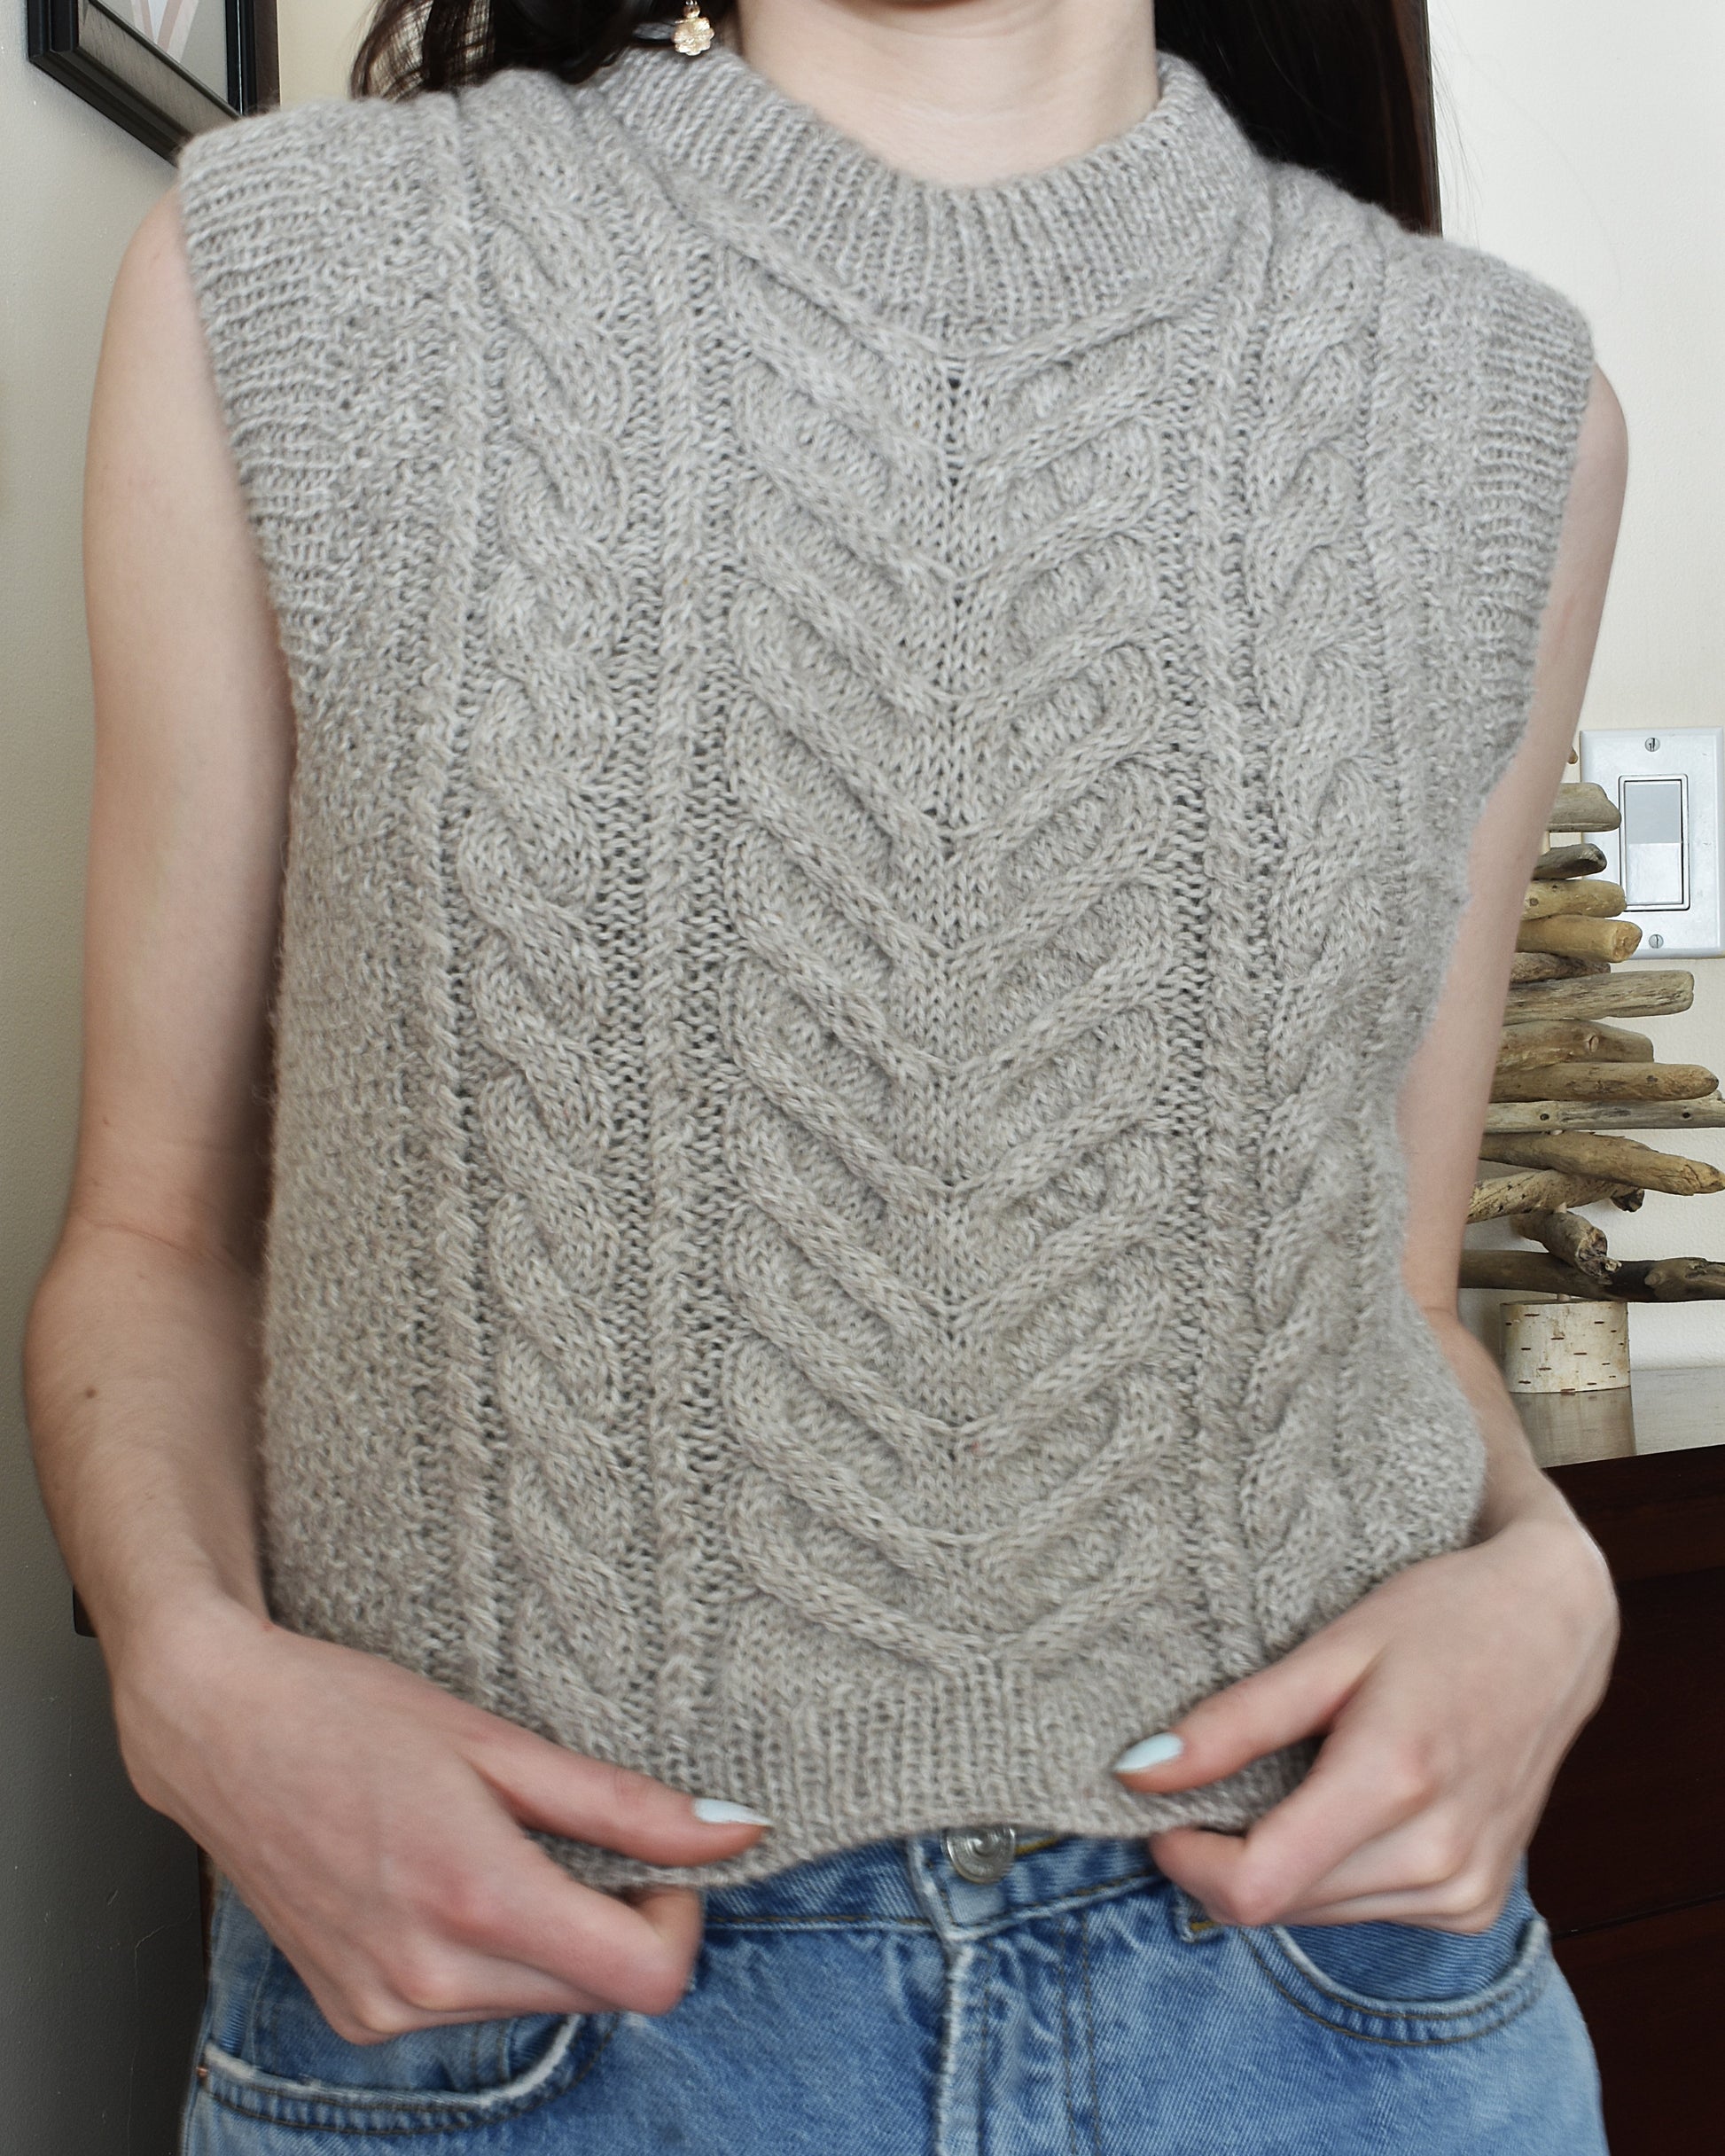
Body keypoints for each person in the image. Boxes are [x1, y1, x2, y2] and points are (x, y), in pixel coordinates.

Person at [24, 0, 1628, 2147]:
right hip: (514, 2016)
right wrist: (186, 1677)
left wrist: (1551, 1575)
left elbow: (1393, 1297)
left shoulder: (1502, 408)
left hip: (1319, 2006)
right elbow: (152, 1233)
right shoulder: (297, 272)